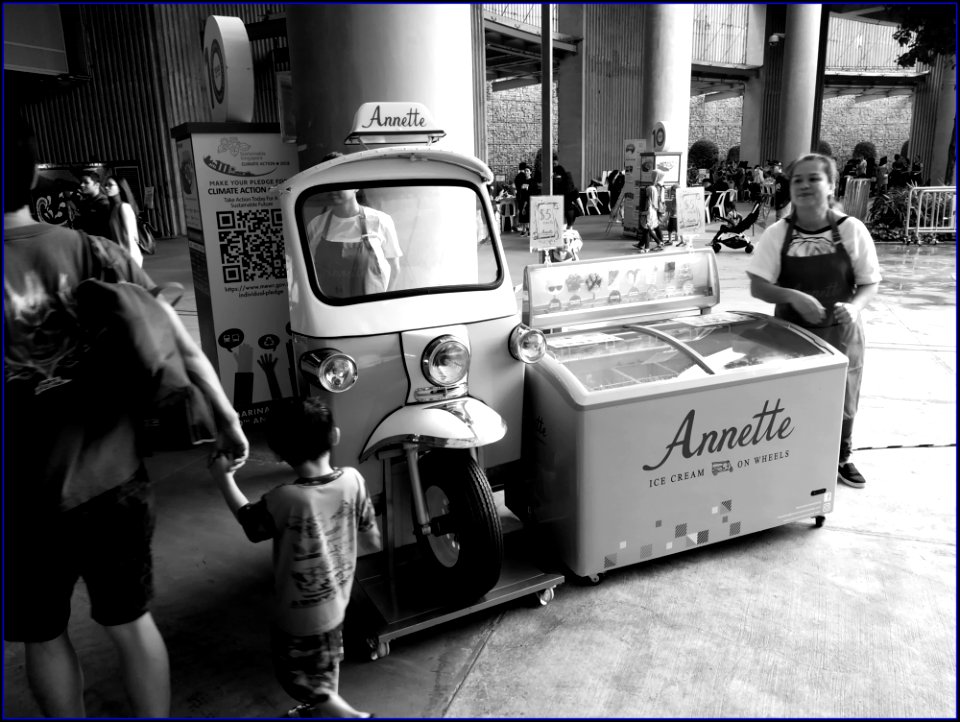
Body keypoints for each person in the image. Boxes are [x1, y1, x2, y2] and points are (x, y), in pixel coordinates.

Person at [4, 113, 249, 717]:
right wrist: (225, 417)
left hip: (21, 500)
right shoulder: (96, 251)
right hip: (114, 482)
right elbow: (177, 342)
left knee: (43, 634)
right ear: (34, 174)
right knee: (133, 622)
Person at [208, 398, 381, 719]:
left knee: (295, 675)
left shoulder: (284, 499)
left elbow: (250, 523)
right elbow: (371, 536)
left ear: (277, 452)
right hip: (337, 600)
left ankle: (347, 715)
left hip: (298, 616)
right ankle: (325, 709)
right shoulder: (354, 480)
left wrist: (224, 479)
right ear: (335, 436)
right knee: (327, 661)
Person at [746, 152, 881, 490]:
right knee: (792, 399)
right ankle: (791, 453)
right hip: (791, 335)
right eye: (797, 180)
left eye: (814, 178)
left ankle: (841, 455)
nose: (804, 185)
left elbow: (869, 281)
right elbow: (759, 286)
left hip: (841, 332)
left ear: (832, 185)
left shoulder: (852, 230)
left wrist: (855, 307)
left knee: (843, 396)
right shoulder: (777, 233)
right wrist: (792, 296)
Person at [306, 163, 402, 298]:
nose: (333, 189)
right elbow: (307, 272)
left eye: (338, 182)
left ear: (356, 186)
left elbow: (395, 268)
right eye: (328, 182)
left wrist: (385, 304)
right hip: (330, 312)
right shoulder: (316, 225)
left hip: (371, 311)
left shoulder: (380, 221)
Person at [104, 175, 144, 267]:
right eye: (106, 185)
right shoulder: (114, 208)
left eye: (110, 185)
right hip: (120, 256)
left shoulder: (124, 207)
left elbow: (130, 237)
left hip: (129, 257)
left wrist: (129, 261)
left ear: (120, 188)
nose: (106, 187)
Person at [635, 169, 667, 253]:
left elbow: (652, 204)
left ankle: (656, 243)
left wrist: (642, 212)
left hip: (652, 211)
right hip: (655, 209)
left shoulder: (655, 187)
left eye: (653, 175)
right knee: (653, 227)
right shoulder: (657, 186)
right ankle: (643, 244)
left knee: (648, 228)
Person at [73, 170, 112, 237]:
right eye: (81, 182)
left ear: (97, 185)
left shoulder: (104, 204)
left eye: (86, 182)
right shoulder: (84, 202)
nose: (81, 185)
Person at [514, 161, 532, 235]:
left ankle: (524, 229)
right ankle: (527, 228)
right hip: (526, 197)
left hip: (519, 196)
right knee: (526, 212)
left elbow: (516, 186)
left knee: (521, 211)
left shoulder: (517, 176)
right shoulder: (524, 177)